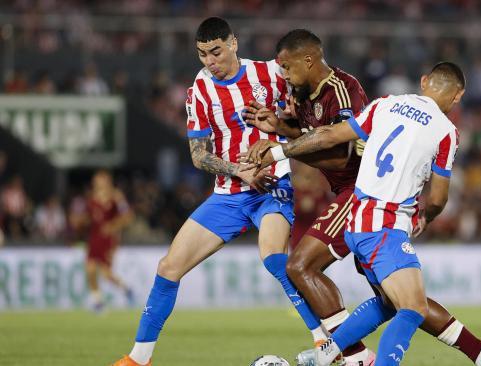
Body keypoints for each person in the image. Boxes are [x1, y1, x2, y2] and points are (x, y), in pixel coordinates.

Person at [245, 62, 481, 366]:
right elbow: (437, 197)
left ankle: (324, 354)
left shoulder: (386, 104)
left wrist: (278, 151)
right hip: (385, 223)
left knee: (388, 303)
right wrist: (426, 216)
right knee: (412, 308)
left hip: (355, 220)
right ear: (459, 96)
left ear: (423, 82)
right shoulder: (446, 132)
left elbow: (331, 136)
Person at [111, 17, 325, 366]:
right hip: (228, 193)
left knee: (273, 257)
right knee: (168, 267)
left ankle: (323, 342)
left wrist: (287, 132)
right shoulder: (200, 89)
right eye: (202, 55)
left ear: (234, 44)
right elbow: (198, 156)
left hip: (272, 185)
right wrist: (236, 170)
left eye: (215, 52)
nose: (210, 61)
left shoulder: (271, 73)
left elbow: (302, 121)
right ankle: (139, 359)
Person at [242, 29, 376, 365]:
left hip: (365, 190)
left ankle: (352, 355)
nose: (284, 75)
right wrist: (281, 128)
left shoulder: (342, 92)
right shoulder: (300, 94)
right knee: (389, 294)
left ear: (308, 59)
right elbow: (310, 136)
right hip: (347, 192)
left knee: (300, 266)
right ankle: (353, 354)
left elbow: (340, 156)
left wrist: (281, 150)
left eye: (287, 67)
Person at [79, 170, 134, 312]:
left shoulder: (116, 196)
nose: (98, 183)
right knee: (90, 269)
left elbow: (128, 216)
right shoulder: (92, 198)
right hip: (94, 237)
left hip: (109, 239)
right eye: (96, 181)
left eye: (101, 180)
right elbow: (89, 218)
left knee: (106, 273)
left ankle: (126, 289)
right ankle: (97, 301)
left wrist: (113, 225)